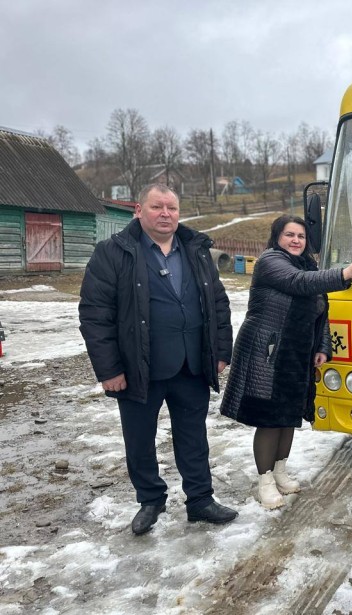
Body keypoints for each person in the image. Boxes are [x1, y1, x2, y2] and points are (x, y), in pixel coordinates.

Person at [79, 184, 237, 535]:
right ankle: (150, 500)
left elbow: (218, 304)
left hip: (192, 365)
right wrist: (109, 370)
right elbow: (95, 314)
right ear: (139, 210)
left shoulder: (196, 250)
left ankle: (200, 500)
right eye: (157, 207)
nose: (166, 214)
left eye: (172, 208)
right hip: (138, 368)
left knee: (194, 437)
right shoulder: (113, 253)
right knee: (139, 439)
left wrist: (221, 352)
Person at [220, 215, 352, 509]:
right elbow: (298, 283)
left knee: (288, 415)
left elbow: (320, 311)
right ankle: (264, 481)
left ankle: (279, 472)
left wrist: (322, 347)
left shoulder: (309, 266)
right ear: (277, 237)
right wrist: (345, 274)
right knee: (268, 417)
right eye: (289, 234)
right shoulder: (271, 262)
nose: (296, 240)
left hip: (296, 353)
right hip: (267, 351)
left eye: (301, 236)